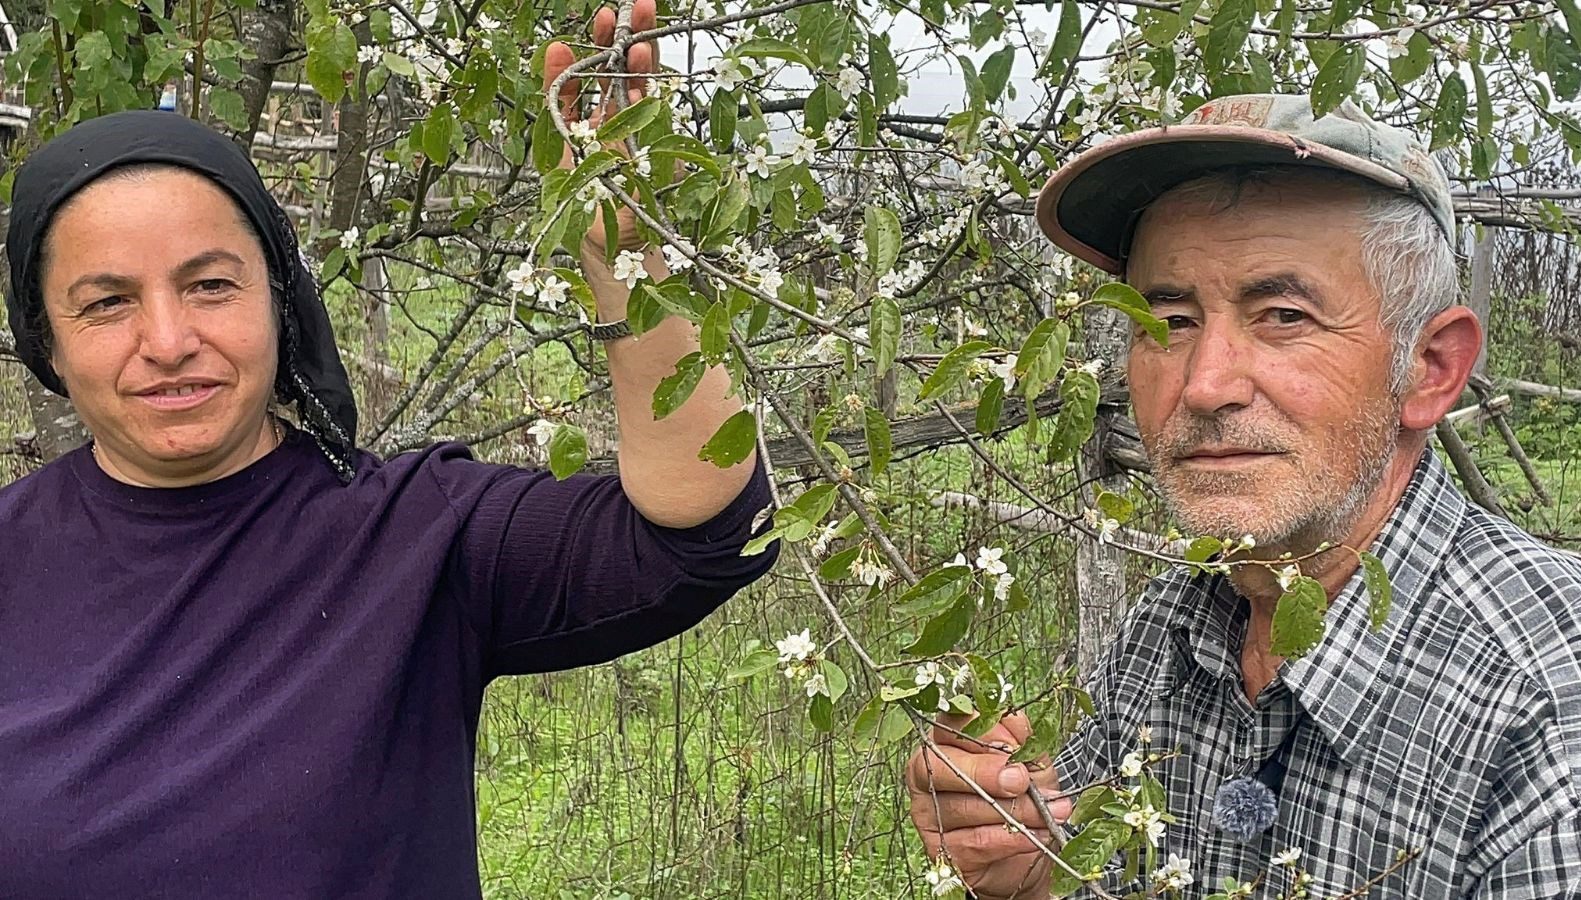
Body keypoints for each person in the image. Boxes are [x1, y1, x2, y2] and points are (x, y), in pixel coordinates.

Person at [0, 3, 776, 897]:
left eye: (211, 285)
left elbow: (708, 529)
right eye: (107, 303)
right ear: (46, 342)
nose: (169, 339)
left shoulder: (414, 538)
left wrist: (622, 249)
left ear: (279, 302)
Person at [907, 94, 1581, 897]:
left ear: (1429, 369)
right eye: (1169, 320)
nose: (1205, 385)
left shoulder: (1544, 707)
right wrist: (1031, 874)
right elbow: (1089, 869)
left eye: (1282, 315)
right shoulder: (1170, 626)